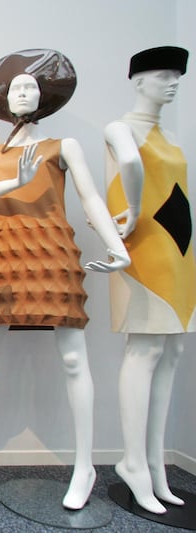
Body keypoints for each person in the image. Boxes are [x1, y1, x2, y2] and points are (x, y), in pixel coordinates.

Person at [0, 49, 130, 510]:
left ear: (44, 96)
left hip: (51, 249)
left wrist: (116, 246)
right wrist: (8, 183)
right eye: (16, 87)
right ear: (6, 98)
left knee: (72, 358)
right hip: (1, 253)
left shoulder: (63, 147)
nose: (23, 91)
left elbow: (91, 199)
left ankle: (84, 466)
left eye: (31, 86)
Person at [104, 45, 192, 515]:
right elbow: (131, 167)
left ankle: (155, 464)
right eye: (163, 75)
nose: (173, 82)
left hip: (182, 252)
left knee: (173, 349)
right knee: (146, 348)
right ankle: (133, 462)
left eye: (177, 75)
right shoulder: (119, 128)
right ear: (138, 81)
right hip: (142, 248)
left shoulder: (172, 136)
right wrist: (133, 212)